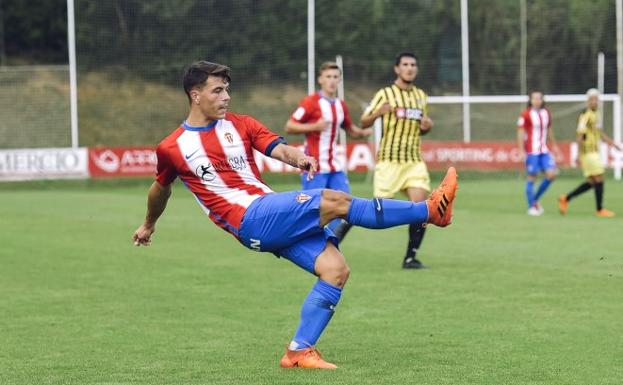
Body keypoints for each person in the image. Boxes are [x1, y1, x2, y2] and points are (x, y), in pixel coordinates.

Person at [132, 61, 459, 369]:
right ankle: (429, 211)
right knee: (335, 200)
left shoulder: (241, 124)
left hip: (269, 210)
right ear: (195, 94)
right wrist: (148, 224)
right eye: (218, 90)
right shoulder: (172, 147)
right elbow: (160, 188)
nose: (226, 96)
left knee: (335, 270)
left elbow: (277, 146)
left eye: (227, 89)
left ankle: (299, 350)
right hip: (251, 219)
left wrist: (298, 158)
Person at [359, 52, 434, 269]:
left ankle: (410, 257)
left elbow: (422, 127)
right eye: (405, 65)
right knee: (376, 214)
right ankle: (346, 222)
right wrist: (378, 113)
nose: (409, 68)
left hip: (413, 160)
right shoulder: (385, 94)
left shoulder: (421, 96)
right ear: (397, 69)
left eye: (413, 65)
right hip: (389, 161)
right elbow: (364, 122)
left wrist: (426, 127)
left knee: (423, 209)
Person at [285, 61, 372, 241]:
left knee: (349, 207)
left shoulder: (340, 105)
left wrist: (364, 132)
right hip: (314, 167)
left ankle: (329, 244)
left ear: (339, 80)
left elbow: (351, 130)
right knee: (315, 211)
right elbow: (290, 126)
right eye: (328, 77)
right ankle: (306, 242)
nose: (332, 81)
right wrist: (314, 126)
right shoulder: (311, 102)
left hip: (335, 167)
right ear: (320, 80)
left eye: (335, 77)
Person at [558, 88, 621, 217]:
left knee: (592, 182)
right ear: (587, 101)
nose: (594, 102)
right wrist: (578, 154)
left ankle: (566, 198)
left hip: (593, 152)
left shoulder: (595, 115)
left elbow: (599, 133)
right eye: (592, 99)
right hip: (588, 152)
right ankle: (600, 210)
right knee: (600, 178)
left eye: (596, 99)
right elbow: (580, 135)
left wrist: (612, 143)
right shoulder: (585, 115)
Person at [516, 90, 560, 216]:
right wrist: (521, 151)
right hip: (531, 151)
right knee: (532, 177)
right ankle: (532, 207)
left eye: (539, 98)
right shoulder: (525, 114)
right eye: (534, 98)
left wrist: (555, 145)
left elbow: (549, 129)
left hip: (544, 150)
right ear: (530, 100)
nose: (537, 100)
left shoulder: (546, 113)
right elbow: (520, 132)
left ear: (542, 100)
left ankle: (535, 200)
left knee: (551, 175)